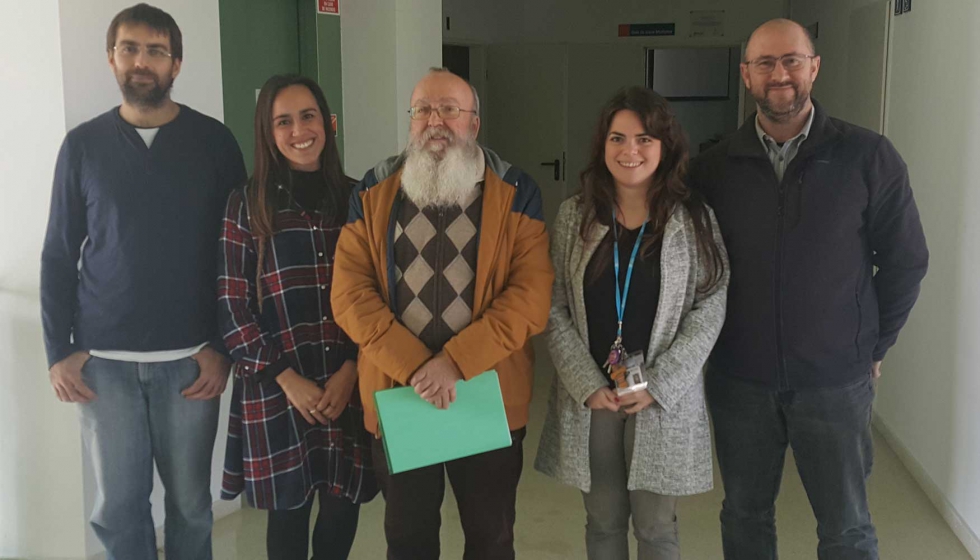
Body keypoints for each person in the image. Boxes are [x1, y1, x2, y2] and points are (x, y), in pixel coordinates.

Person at [688, 18, 929, 560]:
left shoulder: (868, 157)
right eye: (766, 63)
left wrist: (872, 344)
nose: (781, 74)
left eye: (792, 60)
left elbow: (906, 260)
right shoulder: (711, 170)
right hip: (740, 380)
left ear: (814, 68)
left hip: (835, 383)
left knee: (846, 527)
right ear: (746, 74)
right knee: (745, 517)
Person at [40, 4, 247, 559]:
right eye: (130, 48)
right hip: (103, 367)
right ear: (112, 57)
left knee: (189, 507)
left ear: (176, 63)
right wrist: (58, 350)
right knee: (118, 511)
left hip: (191, 363)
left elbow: (240, 254)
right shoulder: (83, 147)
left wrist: (224, 347)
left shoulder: (214, 143)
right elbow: (59, 255)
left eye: (156, 50)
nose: (142, 61)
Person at [330, 68, 553, 559]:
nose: (436, 121)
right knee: (408, 540)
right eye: (423, 110)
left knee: (490, 539)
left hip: (485, 392)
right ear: (411, 121)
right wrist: (416, 367)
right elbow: (349, 294)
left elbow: (530, 296)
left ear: (473, 122)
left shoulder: (517, 190)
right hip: (400, 394)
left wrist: (453, 363)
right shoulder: (371, 189)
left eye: (449, 109)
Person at [535, 86, 729, 560]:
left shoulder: (693, 218)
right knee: (602, 525)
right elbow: (553, 305)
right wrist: (584, 381)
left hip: (661, 400)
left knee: (657, 529)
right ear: (602, 147)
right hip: (595, 398)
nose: (630, 151)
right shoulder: (574, 217)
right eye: (617, 138)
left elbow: (711, 305)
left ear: (665, 147)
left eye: (644, 139)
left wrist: (661, 384)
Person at [217, 74, 376, 560]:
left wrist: (351, 369)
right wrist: (287, 378)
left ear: (328, 123)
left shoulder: (359, 199)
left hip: (346, 381)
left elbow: (380, 296)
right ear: (268, 132)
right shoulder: (246, 206)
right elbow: (231, 308)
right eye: (282, 121)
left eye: (308, 116)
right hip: (278, 385)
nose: (298, 130)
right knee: (287, 518)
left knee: (341, 508)